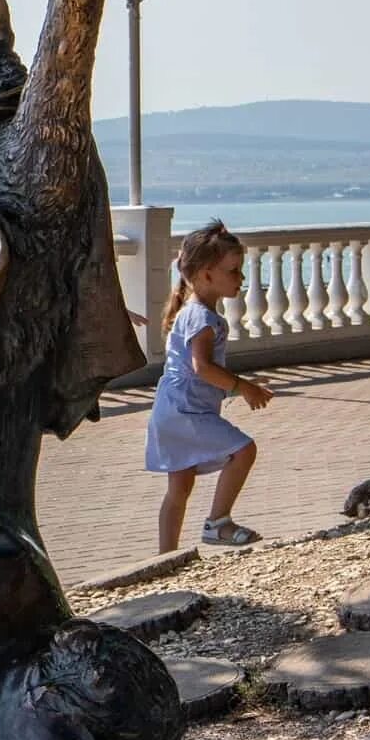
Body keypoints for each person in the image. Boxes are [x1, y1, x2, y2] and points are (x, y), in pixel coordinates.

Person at [146, 220, 272, 551]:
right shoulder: (201, 318)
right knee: (244, 449)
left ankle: (165, 556)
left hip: (172, 409)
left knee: (179, 488)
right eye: (233, 271)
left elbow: (196, 373)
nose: (241, 279)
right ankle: (218, 523)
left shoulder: (193, 312)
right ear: (205, 275)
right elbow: (202, 368)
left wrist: (235, 388)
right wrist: (243, 387)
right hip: (185, 411)